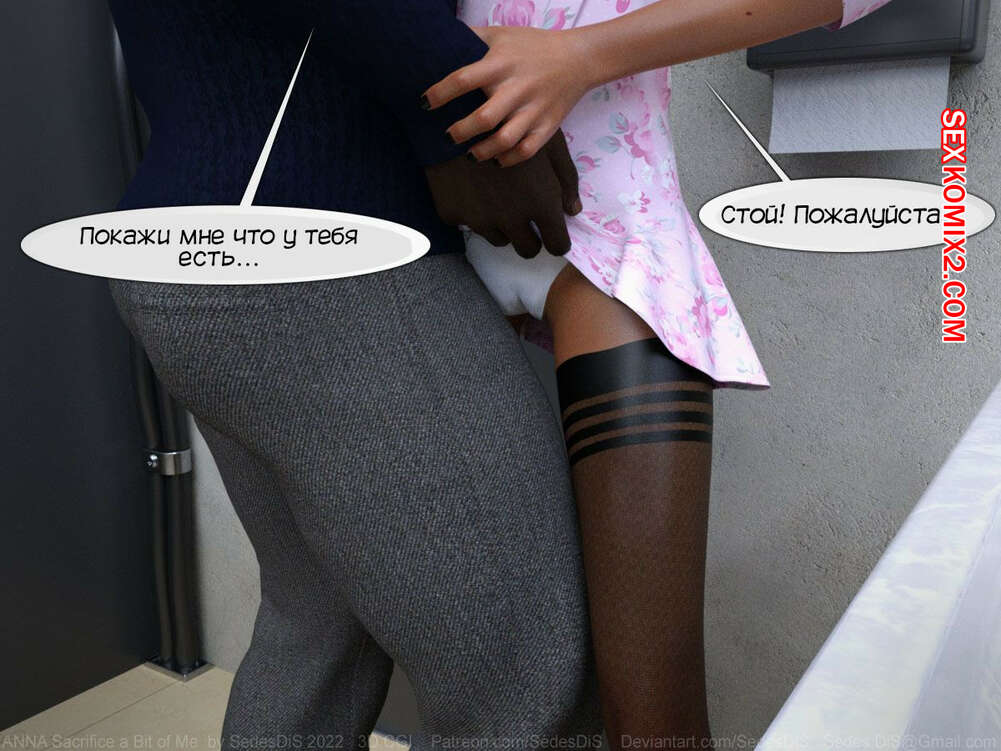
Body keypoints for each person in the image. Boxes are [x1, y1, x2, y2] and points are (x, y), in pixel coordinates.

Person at [105, 1, 603, 748]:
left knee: (316, 628)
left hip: (197, 256)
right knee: (527, 677)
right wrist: (477, 121)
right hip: (322, 260)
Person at [421, 0, 895, 746]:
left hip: (611, 251)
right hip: (437, 241)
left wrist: (585, 55)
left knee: (653, 721)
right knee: (492, 687)